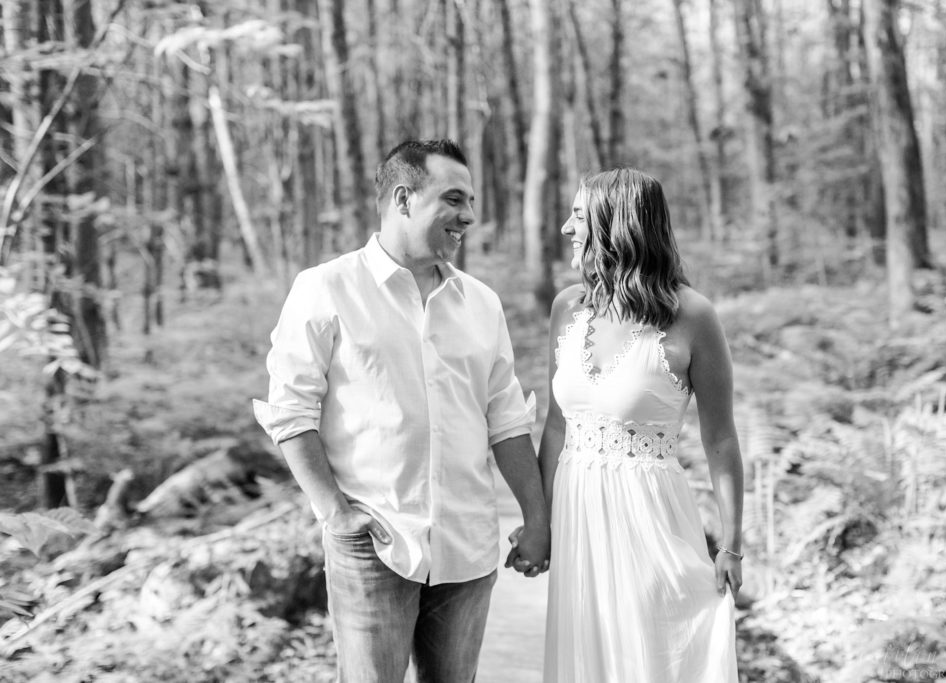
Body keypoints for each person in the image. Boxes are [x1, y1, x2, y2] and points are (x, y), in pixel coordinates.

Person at [253, 139, 550, 683]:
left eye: (471, 201)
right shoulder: (326, 288)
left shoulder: (481, 303)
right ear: (403, 199)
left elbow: (506, 419)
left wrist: (537, 518)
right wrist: (335, 514)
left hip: (467, 547)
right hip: (375, 545)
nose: (469, 216)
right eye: (455, 199)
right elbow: (290, 412)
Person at [538, 168, 743, 682]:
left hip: (651, 519)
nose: (566, 227)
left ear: (617, 225)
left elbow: (720, 439)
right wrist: (540, 524)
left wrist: (732, 544)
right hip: (579, 519)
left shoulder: (693, 316)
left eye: (579, 217)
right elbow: (557, 425)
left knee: (653, 657)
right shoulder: (567, 308)